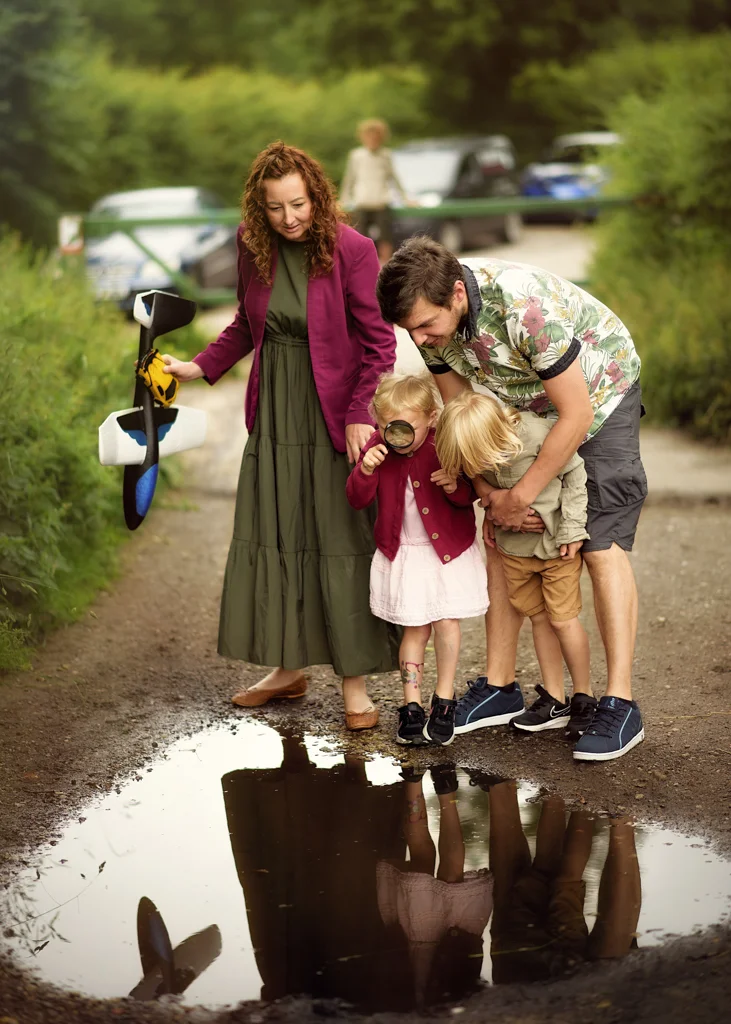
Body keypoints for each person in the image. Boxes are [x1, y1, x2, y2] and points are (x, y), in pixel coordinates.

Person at [376, 237, 647, 762]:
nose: (420, 339)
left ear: (457, 293)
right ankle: (501, 686)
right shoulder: (429, 323)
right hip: (520, 401)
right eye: (410, 331)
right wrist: (489, 494)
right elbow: (460, 419)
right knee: (503, 533)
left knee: (597, 540)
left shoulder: (525, 310)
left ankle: (619, 700)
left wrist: (520, 491)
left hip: (595, 396)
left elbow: (576, 417)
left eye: (426, 325)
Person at [161, 142, 399, 731]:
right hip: (274, 413)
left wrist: (360, 413)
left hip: (333, 414)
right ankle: (287, 668)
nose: (290, 218)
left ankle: (354, 681)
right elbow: (247, 322)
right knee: (279, 530)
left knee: (337, 536)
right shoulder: (253, 247)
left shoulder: (353, 249)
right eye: (275, 208)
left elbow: (379, 344)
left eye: (298, 204)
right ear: (259, 209)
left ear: (316, 196)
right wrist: (199, 366)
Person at [435, 391, 598, 746]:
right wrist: (492, 515)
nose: (477, 467)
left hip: (556, 549)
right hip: (516, 551)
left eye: (478, 459)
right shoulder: (477, 449)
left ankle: (583, 696)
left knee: (563, 620)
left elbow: (575, 475)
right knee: (538, 618)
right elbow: (490, 494)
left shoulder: (537, 435)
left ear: (495, 435)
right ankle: (555, 699)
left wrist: (572, 527)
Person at [346, 373, 489, 746]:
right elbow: (357, 499)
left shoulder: (444, 444)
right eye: (388, 426)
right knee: (414, 630)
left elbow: (467, 496)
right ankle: (412, 707)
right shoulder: (379, 447)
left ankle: (444, 700)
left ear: (432, 418)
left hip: (445, 556)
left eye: (407, 426)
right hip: (405, 553)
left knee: (447, 624)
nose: (397, 435)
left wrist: (455, 486)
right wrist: (365, 469)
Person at [341, 118, 409, 264]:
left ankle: (386, 265)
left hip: (381, 202)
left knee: (386, 236)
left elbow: (393, 178)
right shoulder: (356, 156)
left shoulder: (385, 155)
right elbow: (349, 180)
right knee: (359, 236)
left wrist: (405, 198)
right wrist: (344, 200)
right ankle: (363, 263)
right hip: (362, 202)